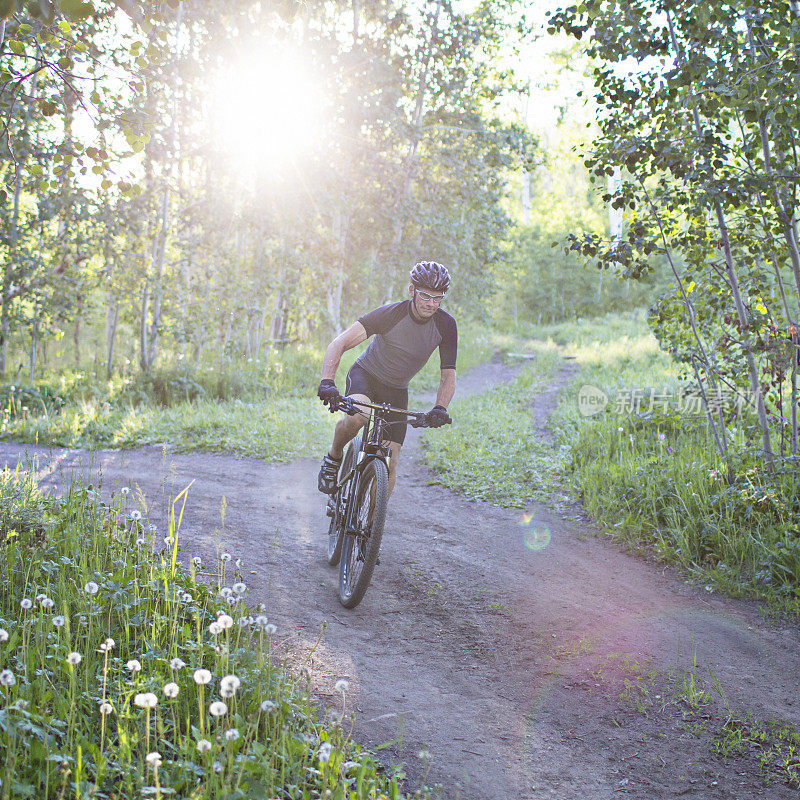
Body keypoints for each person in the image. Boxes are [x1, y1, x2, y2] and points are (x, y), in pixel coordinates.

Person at [316, 260, 457, 497]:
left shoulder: (446, 325)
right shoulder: (391, 314)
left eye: (437, 297)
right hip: (367, 375)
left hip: (397, 389)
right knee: (359, 415)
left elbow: (448, 374)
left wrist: (440, 407)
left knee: (391, 461)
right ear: (411, 291)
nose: (431, 304)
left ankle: (369, 529)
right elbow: (338, 344)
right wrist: (327, 382)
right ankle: (334, 456)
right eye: (425, 296)